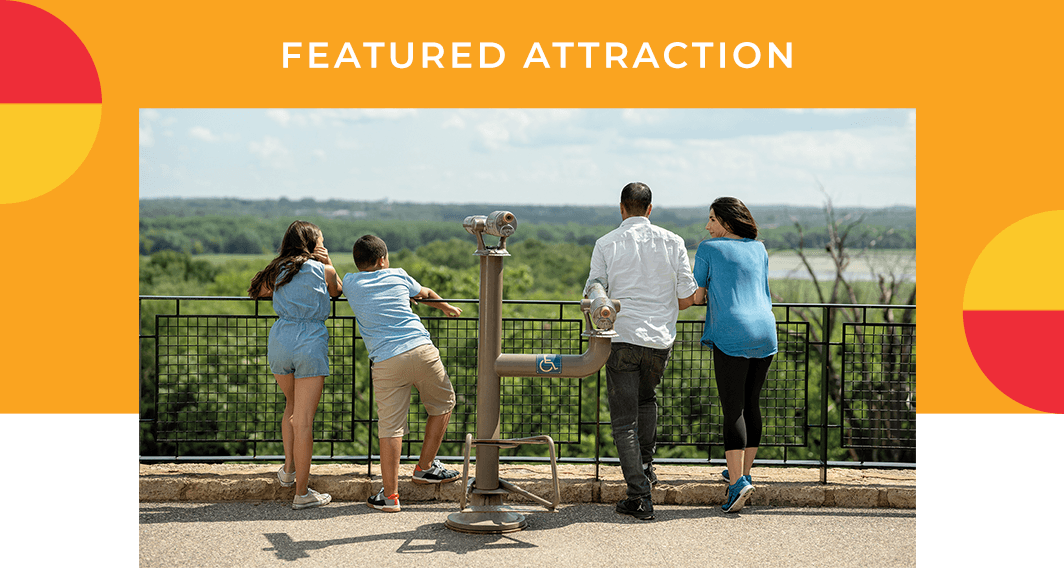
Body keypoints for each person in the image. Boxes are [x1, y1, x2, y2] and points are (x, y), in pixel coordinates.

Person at [584, 182, 699, 521]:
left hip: (622, 335)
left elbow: (595, 286)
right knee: (647, 401)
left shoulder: (606, 243)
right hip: (660, 339)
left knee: (623, 422)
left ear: (622, 208)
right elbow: (686, 298)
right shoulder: (674, 241)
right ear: (650, 209)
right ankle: (646, 468)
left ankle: (639, 496)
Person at [342, 234, 463, 513]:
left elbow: (335, 286)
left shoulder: (350, 282)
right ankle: (425, 467)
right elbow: (427, 293)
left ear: (358, 262)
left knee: (391, 427)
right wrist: (444, 306)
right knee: (443, 404)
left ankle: (391, 497)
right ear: (383, 259)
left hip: (385, 360)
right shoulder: (398, 275)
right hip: (421, 349)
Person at [691, 197, 778, 513]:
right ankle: (742, 472)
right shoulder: (760, 249)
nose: (708, 226)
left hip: (732, 332)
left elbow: (697, 296)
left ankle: (736, 485)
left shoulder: (708, 249)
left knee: (733, 409)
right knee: (752, 403)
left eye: (712, 219)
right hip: (765, 330)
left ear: (727, 221)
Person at [248, 220, 343, 510]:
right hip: (309, 343)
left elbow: (258, 291)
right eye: (321, 242)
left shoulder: (279, 270)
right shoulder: (324, 269)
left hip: (280, 340)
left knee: (290, 406)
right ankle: (302, 493)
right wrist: (327, 262)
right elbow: (336, 291)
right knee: (303, 421)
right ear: (313, 245)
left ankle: (288, 471)